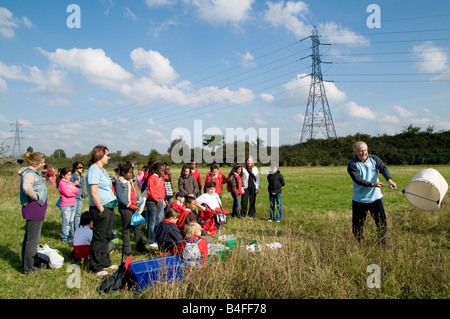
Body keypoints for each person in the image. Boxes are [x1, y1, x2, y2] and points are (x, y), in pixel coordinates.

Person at [347, 141, 397, 244]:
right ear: (355, 152)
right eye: (361, 151)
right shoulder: (352, 164)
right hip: (359, 200)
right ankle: (359, 244)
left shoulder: (374, 159)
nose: (364, 153)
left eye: (365, 150)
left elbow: (383, 168)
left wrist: (389, 180)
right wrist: (371, 185)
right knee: (357, 226)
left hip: (375, 198)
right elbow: (358, 180)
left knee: (381, 223)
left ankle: (382, 243)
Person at [85, 144, 118, 276]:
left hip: (108, 207)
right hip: (100, 208)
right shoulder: (93, 169)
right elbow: (94, 192)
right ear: (99, 155)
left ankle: (105, 262)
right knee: (99, 238)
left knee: (106, 236)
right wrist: (101, 209)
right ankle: (96, 266)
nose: (109, 157)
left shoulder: (102, 170)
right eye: (107, 154)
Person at [19, 152, 47, 274]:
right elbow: (26, 187)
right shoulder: (29, 174)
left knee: (29, 238)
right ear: (35, 163)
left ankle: (26, 264)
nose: (43, 164)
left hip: (37, 209)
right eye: (42, 162)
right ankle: (29, 268)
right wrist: (35, 196)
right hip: (34, 208)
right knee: (33, 240)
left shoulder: (34, 173)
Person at [115, 164, 147, 256]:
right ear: (123, 173)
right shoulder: (119, 183)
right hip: (125, 208)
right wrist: (131, 206)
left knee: (138, 227)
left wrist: (137, 202)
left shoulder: (130, 182)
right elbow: (121, 197)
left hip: (133, 207)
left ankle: (139, 247)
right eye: (129, 173)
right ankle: (127, 250)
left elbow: (134, 193)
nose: (131, 175)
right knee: (126, 228)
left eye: (131, 173)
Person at [146, 161, 166, 249]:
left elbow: (161, 190)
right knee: (152, 221)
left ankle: (157, 237)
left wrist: (163, 200)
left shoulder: (159, 178)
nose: (163, 173)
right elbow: (150, 191)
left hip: (160, 201)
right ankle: (150, 240)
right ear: (156, 170)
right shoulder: (152, 178)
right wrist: (156, 200)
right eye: (161, 171)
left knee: (158, 220)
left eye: (164, 171)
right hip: (153, 202)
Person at [57, 167, 80, 242]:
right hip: (65, 205)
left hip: (72, 204)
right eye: (68, 175)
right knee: (66, 222)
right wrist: (72, 191)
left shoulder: (70, 183)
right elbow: (67, 194)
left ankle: (70, 236)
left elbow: (77, 191)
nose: (69, 177)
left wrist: (72, 191)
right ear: (63, 175)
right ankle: (65, 238)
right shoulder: (62, 183)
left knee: (71, 221)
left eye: (70, 175)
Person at [70, 161, 86, 231]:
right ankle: (72, 231)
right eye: (79, 167)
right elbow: (67, 186)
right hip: (74, 197)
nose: (81, 168)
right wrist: (73, 184)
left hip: (80, 197)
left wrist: (83, 193)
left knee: (78, 214)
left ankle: (77, 230)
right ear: (75, 168)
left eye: (82, 167)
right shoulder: (71, 176)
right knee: (73, 215)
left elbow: (82, 187)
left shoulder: (82, 177)